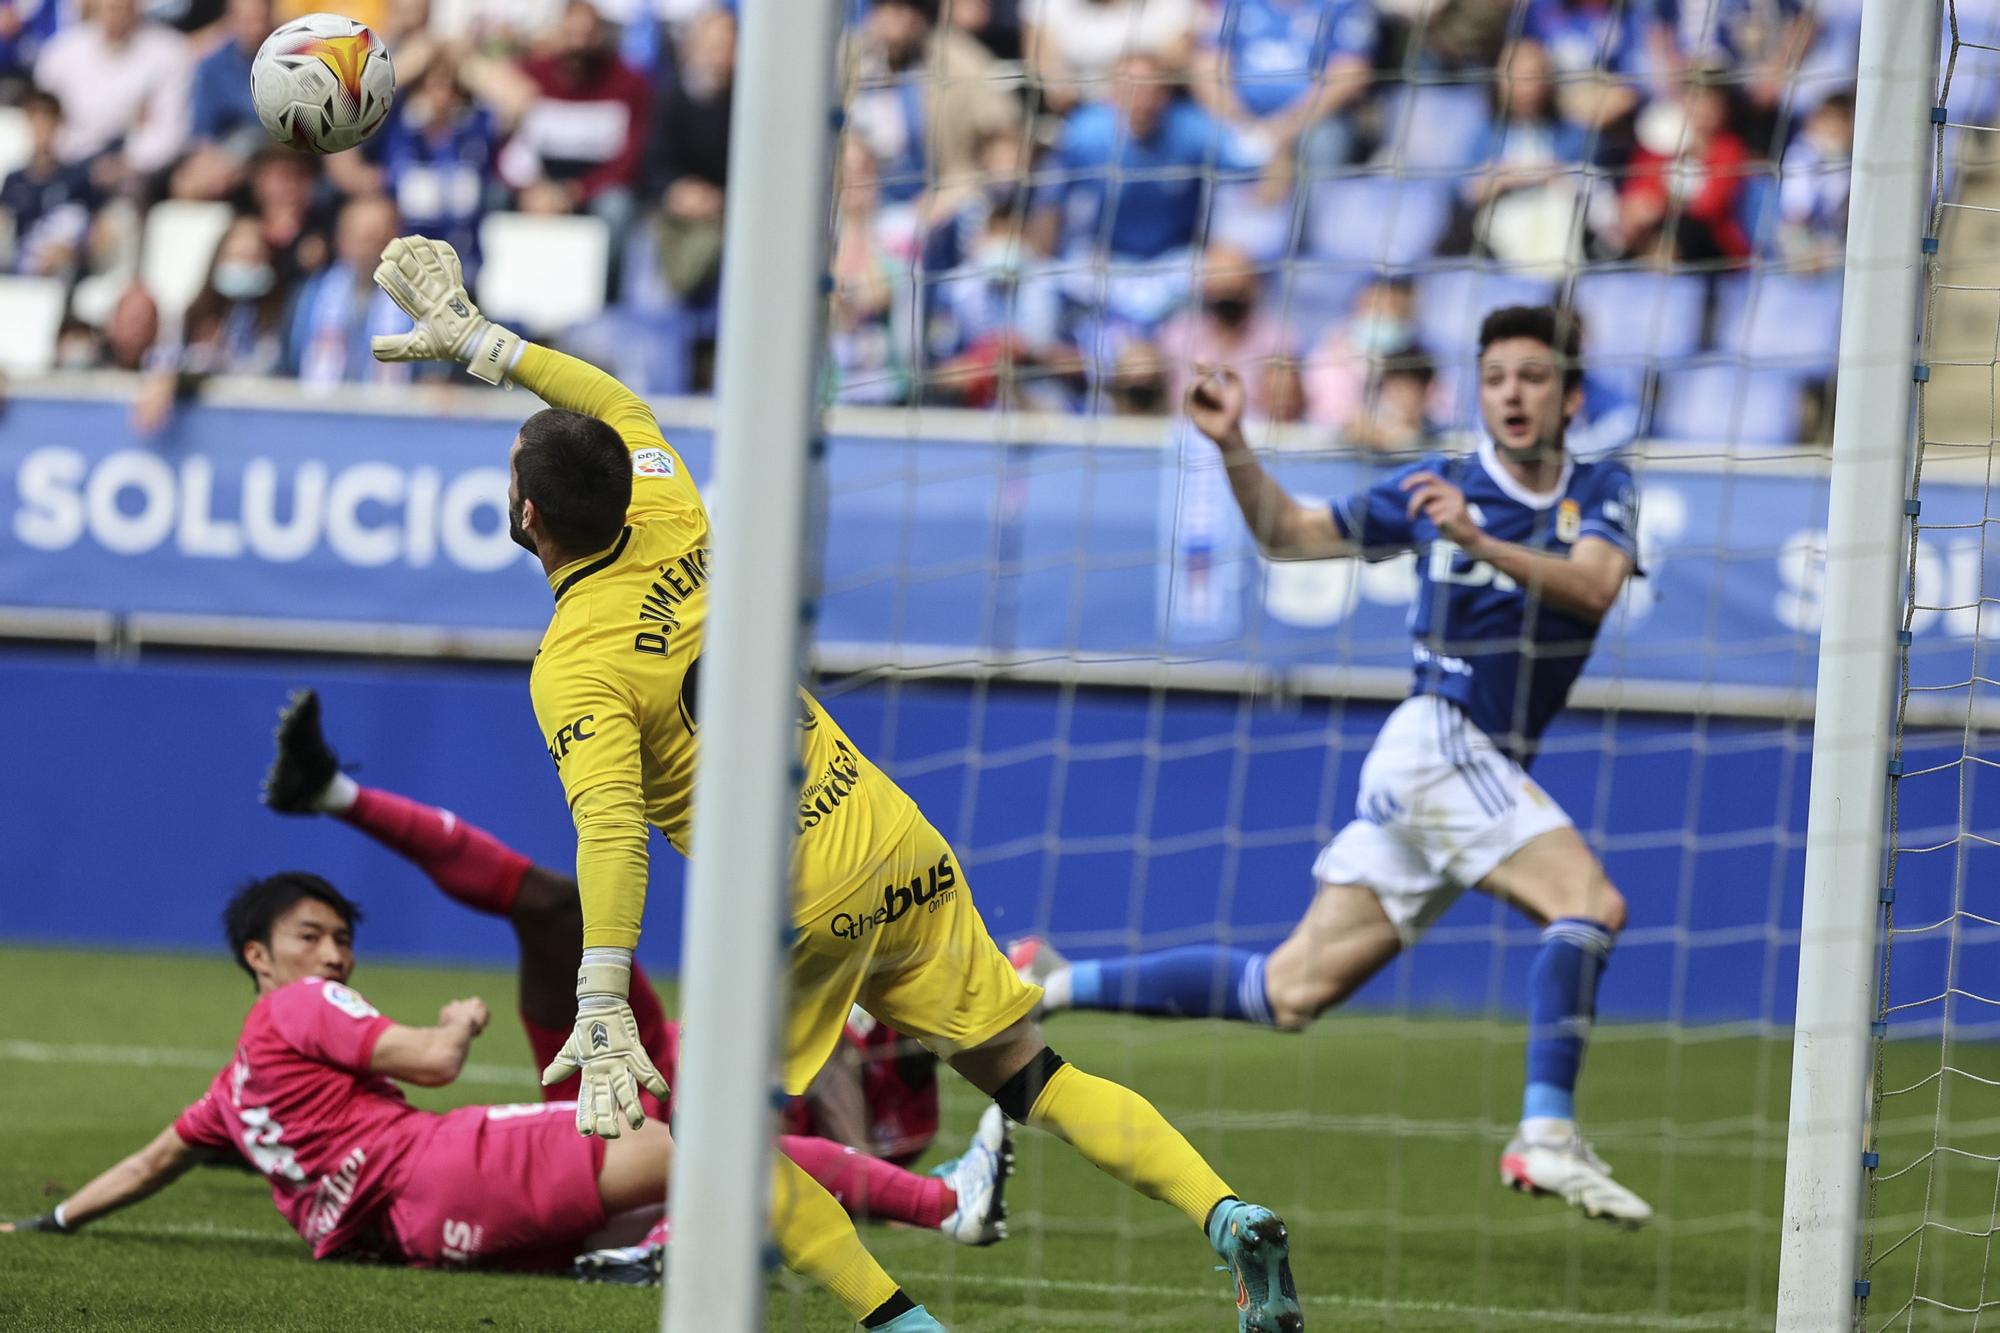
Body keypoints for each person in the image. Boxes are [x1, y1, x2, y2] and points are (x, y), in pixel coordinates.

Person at [364, 232, 1304, 1333]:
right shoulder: (670, 507)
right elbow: (612, 399)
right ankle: (1224, 1213)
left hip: (787, 898)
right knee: (1025, 1070)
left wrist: (603, 988)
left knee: (715, 1144)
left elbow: (611, 832)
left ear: (527, 515)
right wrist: (488, 345)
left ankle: (903, 1326)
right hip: (885, 827)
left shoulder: (574, 662)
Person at [1012, 305, 1655, 1227]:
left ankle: (1051, 980)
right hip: (1437, 742)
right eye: (1498, 375)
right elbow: (1289, 532)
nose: (1514, 394)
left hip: (1468, 768)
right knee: (1588, 904)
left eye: (1535, 376)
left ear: (1570, 393)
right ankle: (1546, 1132)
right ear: (1479, 386)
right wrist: (1234, 446)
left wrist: (1475, 541)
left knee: (1288, 990)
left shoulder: (1599, 488)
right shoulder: (1438, 483)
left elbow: (1594, 586)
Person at [258, 687, 1008, 1245]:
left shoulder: (906, 1113)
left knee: (723, 1144)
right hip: (642, 1057)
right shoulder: (874, 1005)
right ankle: (333, 792)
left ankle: (926, 1205)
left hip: (653, 1122)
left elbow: (817, 1146)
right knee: (556, 909)